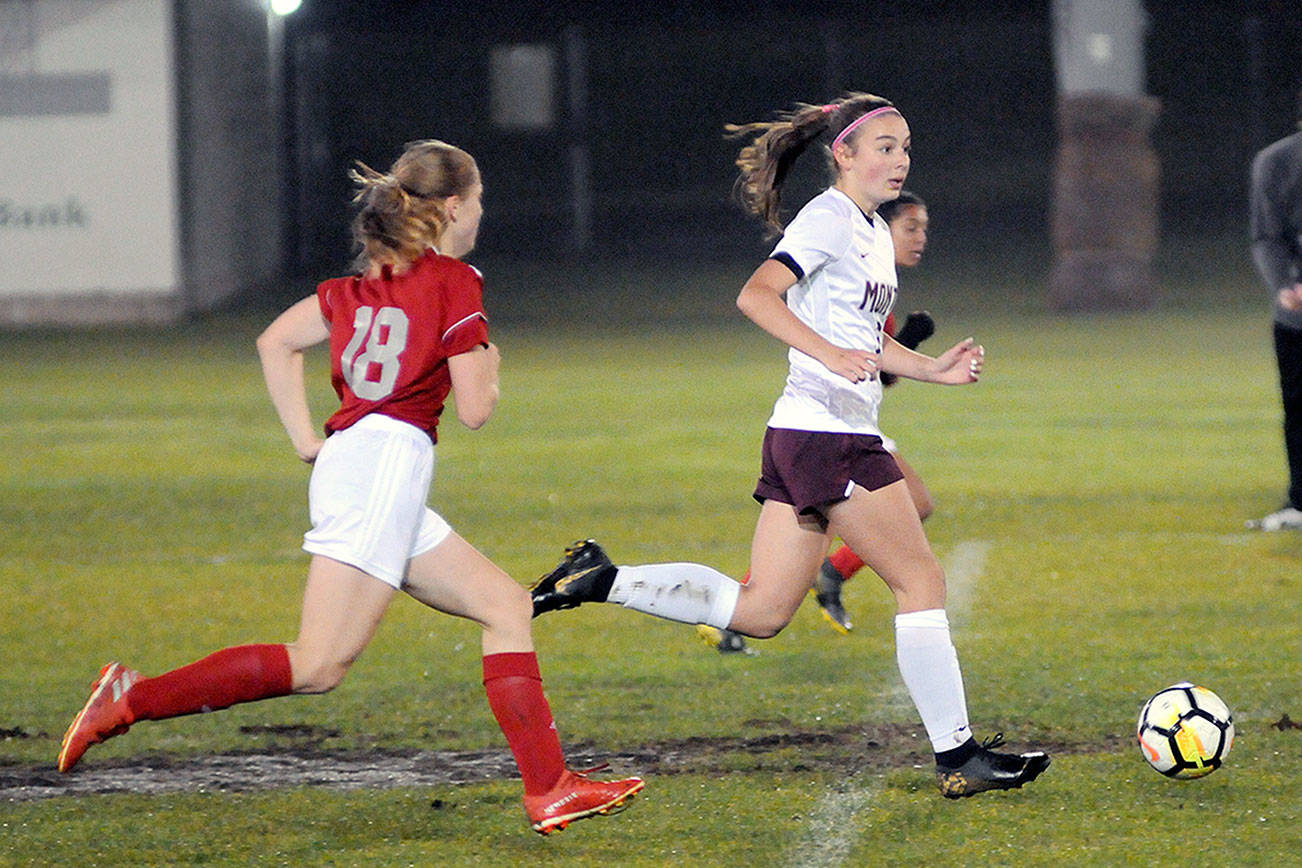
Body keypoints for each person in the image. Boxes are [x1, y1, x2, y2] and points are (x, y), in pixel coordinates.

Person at [56, 139, 643, 835]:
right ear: (453, 206)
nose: (481, 212)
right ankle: (133, 697)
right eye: (478, 200)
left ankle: (550, 789)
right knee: (319, 664)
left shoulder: (351, 288)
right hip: (383, 469)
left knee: (507, 607)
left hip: (364, 465)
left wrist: (308, 439)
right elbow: (477, 409)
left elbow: (274, 341)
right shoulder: (454, 279)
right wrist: (489, 355)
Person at [531, 94, 1050, 798]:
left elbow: (864, 337)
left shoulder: (866, 229)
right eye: (886, 147)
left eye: (905, 148)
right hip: (829, 436)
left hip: (809, 433)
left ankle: (600, 578)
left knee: (764, 611)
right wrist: (827, 352)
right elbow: (757, 295)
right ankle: (958, 758)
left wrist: (930, 368)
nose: (900, 160)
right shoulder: (830, 218)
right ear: (844, 154)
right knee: (920, 580)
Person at [700, 190, 936, 652]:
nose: (920, 238)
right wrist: (910, 340)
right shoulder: (851, 263)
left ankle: (808, 585)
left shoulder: (876, 285)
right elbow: (865, 364)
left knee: (827, 531)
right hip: (827, 423)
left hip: (848, 422)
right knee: (897, 528)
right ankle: (816, 583)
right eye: (911, 228)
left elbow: (873, 373)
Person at [1247, 89, 1302, 531]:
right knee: (1298, 406)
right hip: (1299, 315)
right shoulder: (1277, 163)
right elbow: (1267, 237)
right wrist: (1287, 285)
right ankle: (1300, 499)